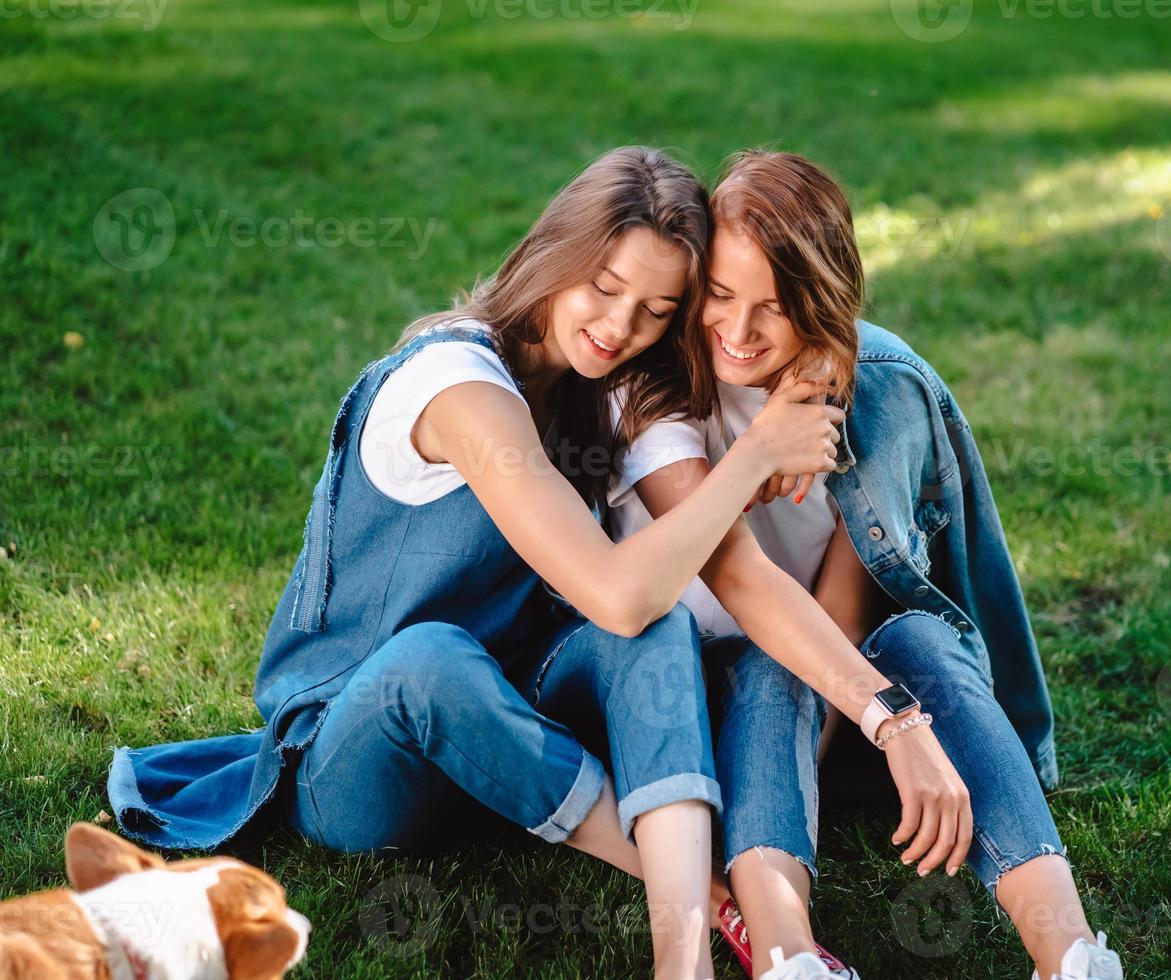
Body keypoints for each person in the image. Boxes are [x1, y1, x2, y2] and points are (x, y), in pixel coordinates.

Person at [108, 147, 844, 980]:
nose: (619, 325)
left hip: (507, 730)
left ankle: (684, 964)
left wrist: (824, 357)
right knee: (437, 657)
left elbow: (644, 594)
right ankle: (716, 899)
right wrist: (750, 461)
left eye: (654, 309)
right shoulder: (457, 385)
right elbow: (614, 591)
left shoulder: (597, 381)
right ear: (553, 251)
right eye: (603, 288)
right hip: (362, 760)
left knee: (657, 624)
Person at [606, 150, 1125, 980]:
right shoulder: (655, 389)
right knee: (768, 662)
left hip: (841, 697)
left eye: (774, 309)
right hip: (702, 707)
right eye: (722, 297)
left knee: (918, 635)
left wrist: (890, 724)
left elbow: (845, 614)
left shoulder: (875, 389)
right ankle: (788, 957)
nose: (737, 334)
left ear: (822, 304)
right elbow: (741, 582)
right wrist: (888, 722)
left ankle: (1072, 954)